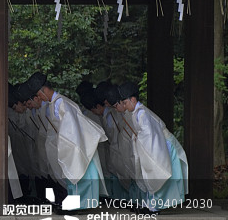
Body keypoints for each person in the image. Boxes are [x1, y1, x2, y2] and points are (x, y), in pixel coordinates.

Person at [28, 72, 106, 211]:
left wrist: (67, 147)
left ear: (44, 90)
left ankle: (78, 205)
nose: (39, 98)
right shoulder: (53, 104)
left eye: (39, 94)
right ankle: (76, 204)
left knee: (79, 174)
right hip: (67, 144)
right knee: (71, 176)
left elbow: (71, 130)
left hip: (75, 144)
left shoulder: (62, 103)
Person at [117, 81, 188, 212]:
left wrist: (137, 141)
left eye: (125, 103)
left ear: (132, 99)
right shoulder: (138, 113)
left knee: (157, 171)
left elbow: (148, 135)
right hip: (155, 144)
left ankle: (155, 206)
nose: (125, 107)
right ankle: (152, 204)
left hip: (162, 145)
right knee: (152, 173)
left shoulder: (142, 114)